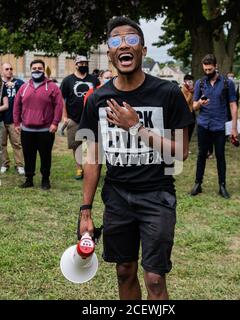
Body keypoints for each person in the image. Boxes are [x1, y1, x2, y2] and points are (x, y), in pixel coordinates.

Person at [78, 16, 193, 300]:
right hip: (117, 198)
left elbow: (182, 151)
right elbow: (92, 158)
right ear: (109, 53)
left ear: (143, 50)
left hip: (157, 196)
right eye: (115, 41)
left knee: (154, 278)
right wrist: (86, 211)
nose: (123, 45)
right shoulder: (97, 99)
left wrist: (136, 127)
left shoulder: (167, 93)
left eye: (131, 39)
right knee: (124, 271)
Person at [190, 54, 239, 199]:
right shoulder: (200, 83)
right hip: (204, 124)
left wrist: (234, 128)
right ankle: (198, 184)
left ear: (216, 66)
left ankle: (222, 185)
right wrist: (200, 103)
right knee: (201, 155)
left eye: (210, 69)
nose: (207, 72)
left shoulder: (227, 83)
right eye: (205, 69)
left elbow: (233, 105)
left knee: (220, 155)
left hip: (219, 125)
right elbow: (194, 106)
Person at [13, 59, 63, 190]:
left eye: (40, 68)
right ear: (30, 70)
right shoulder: (23, 87)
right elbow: (17, 105)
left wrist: (55, 123)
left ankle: (45, 179)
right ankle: (29, 179)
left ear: (44, 70)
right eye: (34, 68)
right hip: (27, 130)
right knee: (28, 155)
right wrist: (17, 123)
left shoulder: (52, 87)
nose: (37, 70)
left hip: (45, 130)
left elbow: (59, 106)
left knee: (45, 156)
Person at [60, 56, 100, 179]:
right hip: (74, 118)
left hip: (91, 118)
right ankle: (79, 169)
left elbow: (99, 95)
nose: (84, 65)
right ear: (76, 64)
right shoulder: (68, 80)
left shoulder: (94, 79)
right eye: (81, 63)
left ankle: (91, 169)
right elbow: (62, 99)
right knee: (76, 145)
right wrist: (65, 116)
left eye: (85, 63)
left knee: (92, 145)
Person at [0, 63, 25, 175]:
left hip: (15, 120)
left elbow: (26, 94)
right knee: (1, 144)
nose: (9, 71)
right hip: (1, 119)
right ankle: (4, 164)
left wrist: (14, 86)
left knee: (17, 143)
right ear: (2, 71)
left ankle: (19, 165)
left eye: (11, 69)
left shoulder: (19, 83)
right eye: (6, 69)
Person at [181, 74, 196, 143]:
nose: (190, 83)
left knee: (191, 128)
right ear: (185, 81)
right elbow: (185, 102)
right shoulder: (183, 90)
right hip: (186, 113)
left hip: (192, 111)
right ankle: (184, 145)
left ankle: (187, 144)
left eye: (191, 81)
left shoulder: (193, 89)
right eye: (189, 81)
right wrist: (190, 94)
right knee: (186, 131)